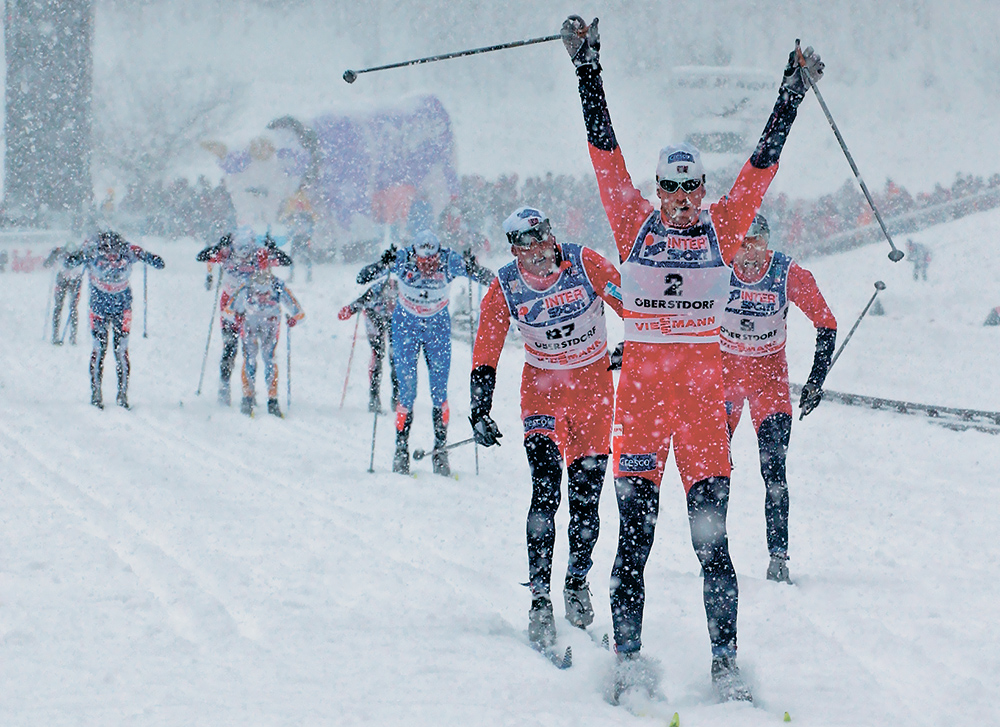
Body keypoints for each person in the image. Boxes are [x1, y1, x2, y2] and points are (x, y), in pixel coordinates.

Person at [561, 14, 823, 702]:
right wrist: (588, 68)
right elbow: (603, 152)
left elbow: (762, 168)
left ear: (703, 191)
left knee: (715, 549)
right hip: (642, 412)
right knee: (635, 548)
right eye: (670, 188)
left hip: (703, 414)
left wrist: (789, 95)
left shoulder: (726, 226)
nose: (679, 201)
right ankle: (628, 662)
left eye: (690, 189)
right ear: (657, 189)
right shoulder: (630, 219)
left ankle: (727, 666)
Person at [469, 206, 622, 650]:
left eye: (540, 240)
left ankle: (575, 581)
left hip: (593, 395)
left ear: (551, 235)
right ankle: (539, 598)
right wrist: (480, 407)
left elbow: (633, 305)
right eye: (524, 246)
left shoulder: (584, 262)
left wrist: (638, 346)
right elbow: (486, 346)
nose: (536, 253)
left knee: (586, 499)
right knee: (545, 491)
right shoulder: (505, 285)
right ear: (513, 249)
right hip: (543, 393)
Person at [719, 214, 837, 584]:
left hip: (769, 385)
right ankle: (714, 554)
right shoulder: (717, 268)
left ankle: (778, 556)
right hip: (723, 384)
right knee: (714, 474)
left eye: (755, 243)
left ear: (766, 244)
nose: (748, 254)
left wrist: (815, 381)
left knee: (774, 472)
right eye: (741, 244)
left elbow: (826, 323)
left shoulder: (787, 273)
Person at [357, 229, 494, 476]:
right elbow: (362, 277)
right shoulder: (403, 259)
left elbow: (491, 280)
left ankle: (440, 450)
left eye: (432, 259)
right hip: (405, 326)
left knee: (439, 390)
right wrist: (383, 263)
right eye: (423, 260)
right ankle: (401, 449)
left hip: (437, 327)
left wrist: (474, 268)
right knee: (407, 390)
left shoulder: (450, 260)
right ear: (414, 254)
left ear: (439, 252)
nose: (428, 265)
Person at [66, 231, 165, 409]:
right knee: (99, 350)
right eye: (107, 252)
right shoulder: (92, 251)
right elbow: (70, 262)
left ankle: (122, 395)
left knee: (121, 352)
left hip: (122, 309)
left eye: (116, 252)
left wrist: (146, 256)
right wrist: (80, 255)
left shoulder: (129, 250)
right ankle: (96, 393)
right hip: (99, 310)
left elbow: (159, 263)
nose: (112, 256)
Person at [197, 230, 292, 406]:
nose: (243, 258)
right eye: (239, 252)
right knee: (230, 347)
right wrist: (219, 245)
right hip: (230, 306)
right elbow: (201, 256)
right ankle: (224, 387)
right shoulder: (226, 253)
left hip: (253, 306)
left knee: (251, 351)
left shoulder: (260, 254)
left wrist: (273, 248)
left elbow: (286, 261)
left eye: (247, 253)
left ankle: (249, 393)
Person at [224, 258, 304, 418]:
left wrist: (294, 318)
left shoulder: (277, 285)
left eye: (265, 268)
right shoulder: (246, 285)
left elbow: (298, 311)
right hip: (251, 323)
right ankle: (248, 397)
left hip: (270, 324)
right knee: (251, 358)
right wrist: (236, 316)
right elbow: (229, 310)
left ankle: (271, 399)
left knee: (268, 358)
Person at [338, 277, 400, 413]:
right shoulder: (380, 286)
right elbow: (364, 299)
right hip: (374, 314)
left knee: (396, 356)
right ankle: (374, 398)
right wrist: (351, 309)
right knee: (378, 354)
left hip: (395, 318)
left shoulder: (406, 283)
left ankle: (397, 397)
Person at [43, 243, 84, 345]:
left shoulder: (80, 252)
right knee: (60, 307)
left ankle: (72, 336)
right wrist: (53, 255)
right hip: (63, 279)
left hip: (74, 280)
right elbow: (47, 264)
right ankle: (56, 335)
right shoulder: (60, 251)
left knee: (72, 307)